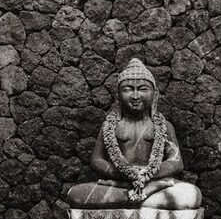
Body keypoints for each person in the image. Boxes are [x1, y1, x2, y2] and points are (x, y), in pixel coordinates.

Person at [66, 58, 202, 210]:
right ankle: (139, 199)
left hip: (154, 183)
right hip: (119, 184)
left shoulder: (164, 126)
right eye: (128, 89)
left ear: (154, 94)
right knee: (76, 194)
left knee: (191, 194)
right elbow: (97, 159)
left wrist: (148, 174)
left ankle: (133, 198)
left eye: (143, 89)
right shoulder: (111, 126)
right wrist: (122, 173)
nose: (135, 95)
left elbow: (176, 162)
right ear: (118, 96)